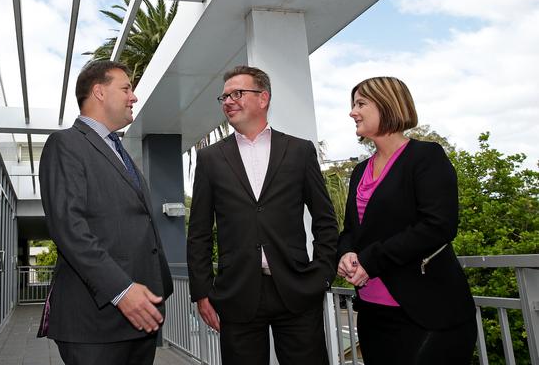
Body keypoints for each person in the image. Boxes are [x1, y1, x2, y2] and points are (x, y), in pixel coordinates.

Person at [187, 65, 338, 365]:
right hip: (237, 294)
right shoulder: (210, 158)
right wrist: (202, 292)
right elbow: (200, 232)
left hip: (297, 291)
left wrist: (321, 275)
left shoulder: (299, 151)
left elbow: (325, 219)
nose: (228, 101)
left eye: (237, 93)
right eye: (225, 96)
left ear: (263, 98)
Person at [38, 59, 173, 365]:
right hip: (94, 324)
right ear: (99, 92)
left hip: (139, 320)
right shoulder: (65, 144)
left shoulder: (119, 150)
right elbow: (69, 228)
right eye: (126, 88)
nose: (133, 96)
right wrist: (122, 290)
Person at [337, 76, 477, 365]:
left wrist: (370, 261)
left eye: (360, 103)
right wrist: (346, 252)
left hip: (428, 312)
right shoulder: (360, 170)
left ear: (387, 105)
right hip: (373, 314)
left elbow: (439, 225)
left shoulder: (426, 156)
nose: (352, 112)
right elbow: (352, 230)